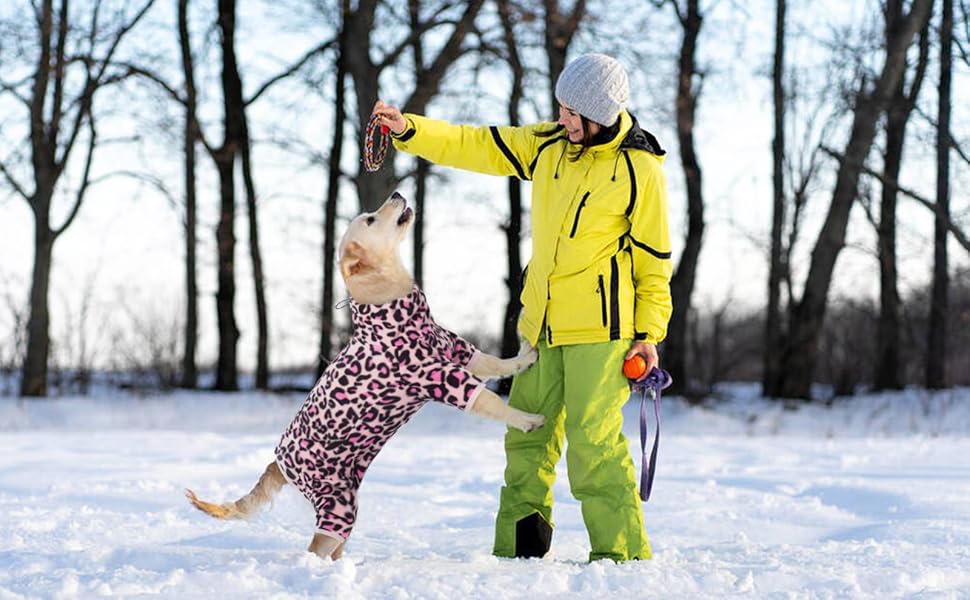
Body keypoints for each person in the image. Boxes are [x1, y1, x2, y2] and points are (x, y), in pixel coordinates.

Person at [372, 53, 672, 563]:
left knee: (592, 445)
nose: (562, 119)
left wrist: (649, 334)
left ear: (599, 112)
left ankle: (621, 559)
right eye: (559, 108)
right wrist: (409, 130)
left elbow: (654, 260)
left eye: (572, 112)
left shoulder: (638, 169)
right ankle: (520, 554)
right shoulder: (549, 147)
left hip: (603, 333)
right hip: (542, 329)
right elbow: (477, 145)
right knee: (526, 435)